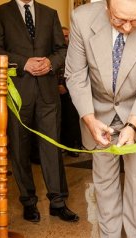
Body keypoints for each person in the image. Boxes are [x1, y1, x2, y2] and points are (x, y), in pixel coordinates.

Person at [65, 0, 136, 238]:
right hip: (97, 109)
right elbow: (76, 75)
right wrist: (89, 119)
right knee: (103, 176)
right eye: (119, 19)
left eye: (135, 20)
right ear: (106, 6)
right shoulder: (82, 18)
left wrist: (132, 125)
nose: (126, 27)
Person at [0, 0, 79, 223]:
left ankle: (58, 202)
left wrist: (50, 62)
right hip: (17, 92)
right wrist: (23, 63)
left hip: (48, 92)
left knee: (52, 147)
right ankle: (28, 201)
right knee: (19, 147)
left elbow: (62, 49)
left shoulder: (50, 13)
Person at [58, 27, 81, 157]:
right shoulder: (56, 51)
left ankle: (72, 146)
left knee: (71, 119)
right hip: (56, 89)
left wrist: (65, 86)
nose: (65, 38)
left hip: (71, 89)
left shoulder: (74, 50)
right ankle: (62, 146)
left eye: (67, 36)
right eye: (63, 36)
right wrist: (58, 84)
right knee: (60, 119)